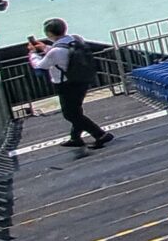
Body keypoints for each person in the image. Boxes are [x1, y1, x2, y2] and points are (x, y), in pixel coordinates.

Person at [28, 19, 112, 148]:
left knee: (70, 114)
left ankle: (100, 134)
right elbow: (64, 53)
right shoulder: (76, 39)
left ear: (49, 33)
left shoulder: (55, 52)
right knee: (76, 111)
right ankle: (75, 138)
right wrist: (45, 48)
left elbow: (40, 65)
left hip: (66, 84)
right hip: (82, 79)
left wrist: (33, 53)